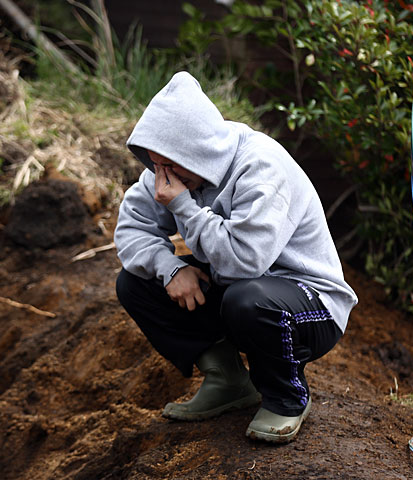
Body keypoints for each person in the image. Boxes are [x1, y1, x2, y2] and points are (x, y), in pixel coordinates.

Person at [114, 71, 358, 443]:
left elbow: (245, 262)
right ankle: (227, 380)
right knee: (134, 283)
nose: (162, 177)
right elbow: (131, 229)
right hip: (239, 291)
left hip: (311, 301)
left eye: (170, 166)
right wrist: (170, 267)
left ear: (195, 150)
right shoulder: (168, 168)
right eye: (155, 165)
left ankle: (286, 397)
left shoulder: (259, 165)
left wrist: (183, 206)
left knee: (246, 299)